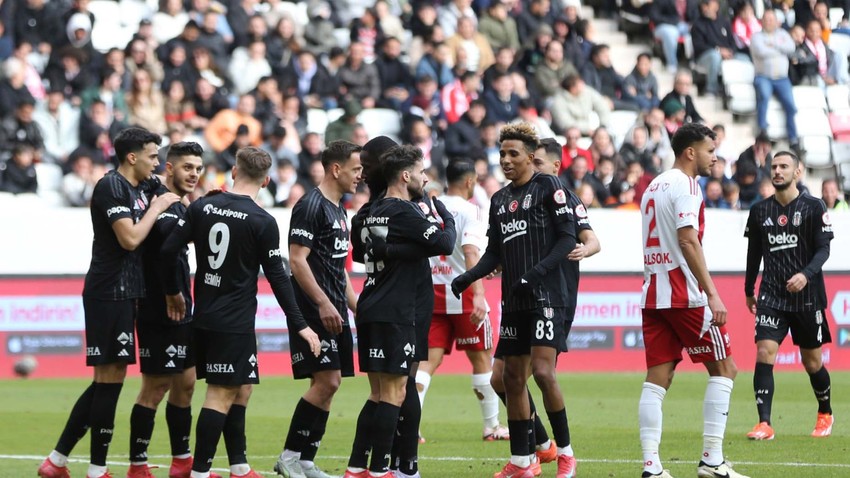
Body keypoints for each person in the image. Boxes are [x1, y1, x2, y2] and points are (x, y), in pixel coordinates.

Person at [160, 147, 321, 478]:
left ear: (234, 171)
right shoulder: (262, 221)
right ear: (266, 180)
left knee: (242, 386)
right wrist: (302, 325)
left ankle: (239, 466)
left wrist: (172, 291)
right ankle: (200, 472)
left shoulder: (203, 205)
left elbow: (166, 250)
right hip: (233, 323)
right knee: (219, 396)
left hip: (202, 315)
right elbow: (278, 278)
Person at [37, 128, 180, 478]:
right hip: (107, 292)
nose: (157, 162)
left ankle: (57, 461)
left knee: (108, 380)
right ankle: (96, 470)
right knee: (109, 380)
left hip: (128, 291)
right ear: (132, 157)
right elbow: (129, 238)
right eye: (151, 155)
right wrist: (158, 206)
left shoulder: (143, 186)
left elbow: (178, 198)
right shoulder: (111, 186)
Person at [452, 123, 578, 478]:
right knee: (510, 379)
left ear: (530, 157)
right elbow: (494, 253)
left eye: (513, 154)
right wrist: (467, 276)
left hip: (546, 296)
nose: (506, 160)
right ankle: (523, 462)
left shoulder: (548, 187)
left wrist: (534, 275)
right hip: (514, 301)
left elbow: (567, 241)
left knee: (541, 371)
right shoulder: (499, 199)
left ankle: (566, 453)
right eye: (502, 154)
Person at [637, 122, 748, 478]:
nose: (714, 158)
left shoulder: (653, 185)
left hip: (654, 293)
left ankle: (652, 466)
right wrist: (712, 293)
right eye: (709, 151)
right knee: (725, 369)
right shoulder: (686, 185)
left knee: (658, 378)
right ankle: (712, 460)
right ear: (690, 152)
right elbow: (688, 240)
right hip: (684, 293)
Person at [344, 145, 457, 478]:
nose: (426, 179)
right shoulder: (406, 211)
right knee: (396, 392)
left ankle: (357, 468)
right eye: (422, 173)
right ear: (406, 175)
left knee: (379, 394)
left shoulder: (367, 212)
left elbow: (364, 254)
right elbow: (444, 242)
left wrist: (394, 249)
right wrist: (444, 215)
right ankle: (382, 471)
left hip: (371, 304)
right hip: (397, 310)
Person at [275, 141, 363, 478]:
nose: (360, 175)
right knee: (325, 381)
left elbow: (337, 267)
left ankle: (306, 459)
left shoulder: (340, 209)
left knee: (333, 382)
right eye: (356, 169)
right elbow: (297, 261)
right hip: (314, 310)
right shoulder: (309, 206)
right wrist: (324, 302)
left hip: (335, 309)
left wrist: (357, 307)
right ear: (336, 169)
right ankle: (289, 456)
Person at [414, 159, 509, 443]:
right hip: (465, 292)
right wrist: (479, 294)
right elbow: (470, 251)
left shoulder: (427, 207)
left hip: (431, 292)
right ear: (470, 182)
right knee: (482, 359)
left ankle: (410, 426)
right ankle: (491, 426)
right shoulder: (470, 210)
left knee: (427, 362)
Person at [743, 151, 835, 441]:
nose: (778, 171)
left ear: (798, 172)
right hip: (771, 294)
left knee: (812, 362)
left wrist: (805, 274)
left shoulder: (813, 206)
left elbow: (824, 250)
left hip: (807, 297)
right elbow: (754, 253)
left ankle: (825, 412)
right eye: (774, 167)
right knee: (764, 352)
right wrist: (748, 289)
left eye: (784, 167)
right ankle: (765, 423)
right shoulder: (759, 211)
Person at [127, 142, 206, 478]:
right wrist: (173, 292)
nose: (194, 174)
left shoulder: (180, 205)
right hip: (159, 308)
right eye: (188, 167)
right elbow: (162, 256)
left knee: (186, 382)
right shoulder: (159, 202)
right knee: (156, 386)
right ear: (169, 168)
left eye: (198, 168)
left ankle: (182, 461)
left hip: (182, 306)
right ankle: (138, 465)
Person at [751, 10, 799, 151]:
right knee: (764, 97)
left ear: (777, 21)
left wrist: (772, 45)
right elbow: (761, 52)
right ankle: (763, 131)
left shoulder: (783, 34)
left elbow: (791, 48)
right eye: (766, 19)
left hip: (782, 79)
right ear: (762, 21)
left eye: (771, 19)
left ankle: (793, 137)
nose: (769, 22)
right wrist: (780, 49)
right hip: (763, 76)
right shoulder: (756, 37)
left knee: (791, 105)